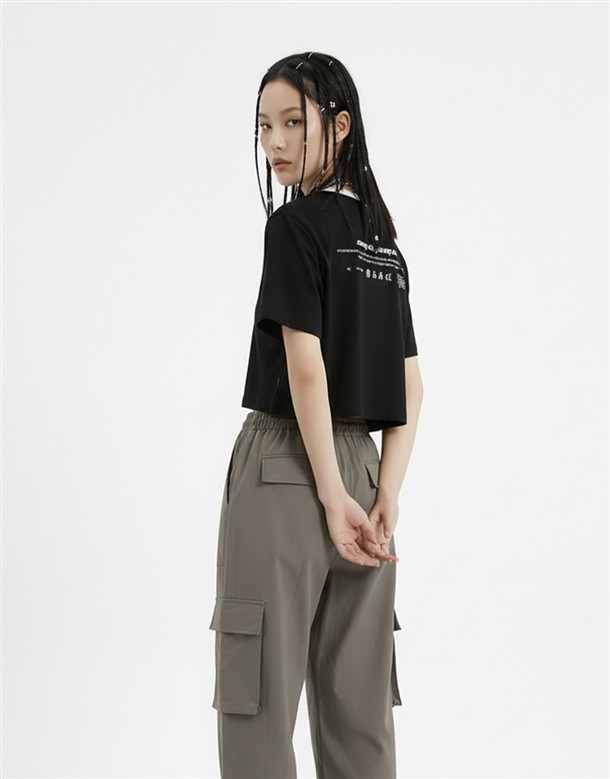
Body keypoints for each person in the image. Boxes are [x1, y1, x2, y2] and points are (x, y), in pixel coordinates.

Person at [209, 51, 424, 779]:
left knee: (258, 696)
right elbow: (412, 387)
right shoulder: (384, 245)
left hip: (287, 467)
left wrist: (331, 498)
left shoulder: (294, 226)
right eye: (264, 126)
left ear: (340, 125)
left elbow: (306, 370)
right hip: (364, 470)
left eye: (293, 122)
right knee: (360, 702)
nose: (276, 142)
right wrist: (383, 493)